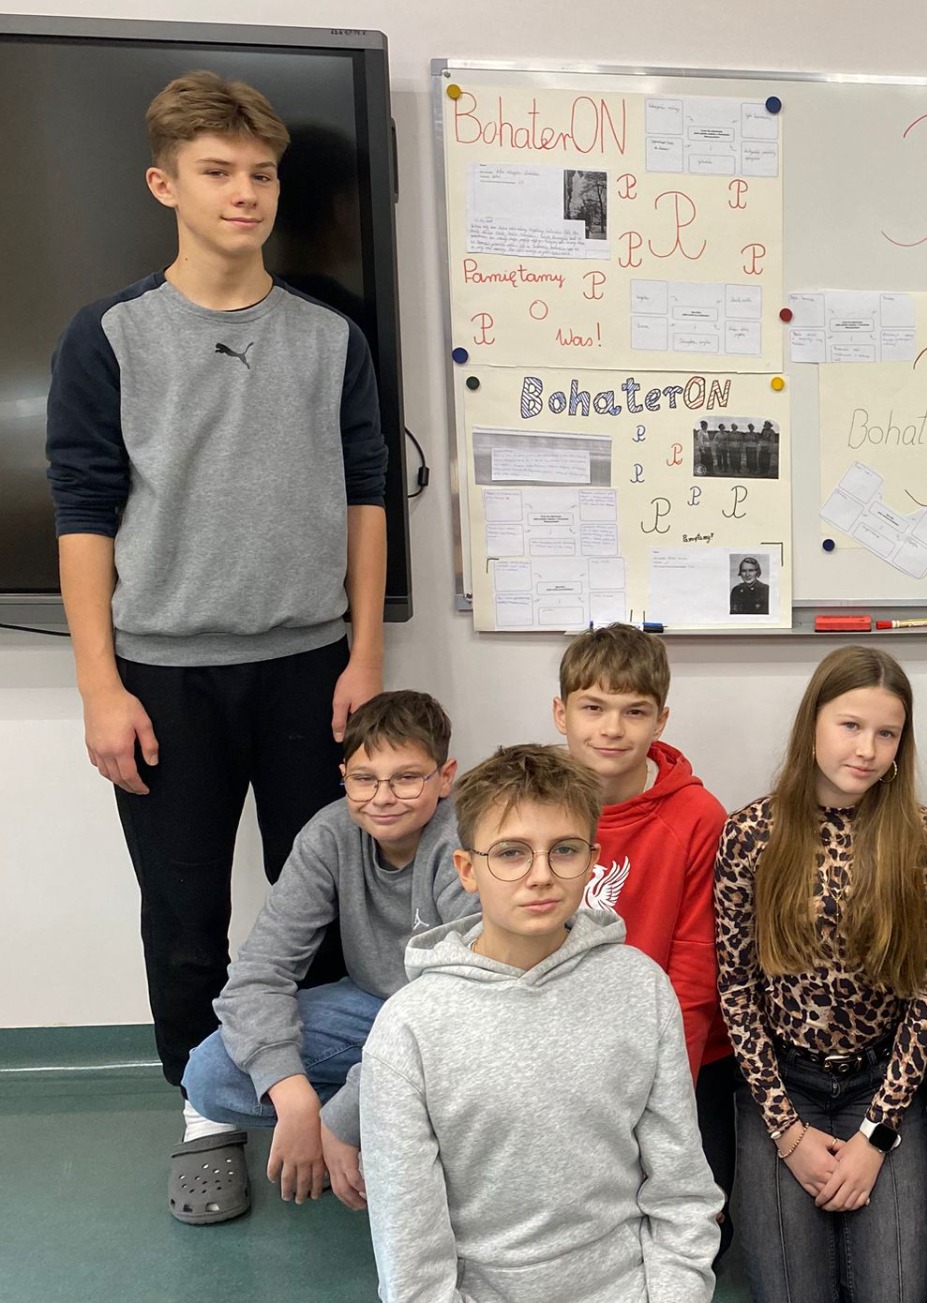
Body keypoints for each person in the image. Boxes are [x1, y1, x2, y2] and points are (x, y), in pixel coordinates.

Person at [43, 70, 387, 1205]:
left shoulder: (330, 336)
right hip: (163, 677)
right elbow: (83, 514)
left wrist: (366, 658)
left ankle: (326, 1109)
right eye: (218, 172)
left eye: (262, 174)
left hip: (311, 670)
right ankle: (205, 1110)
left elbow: (367, 496)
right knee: (188, 918)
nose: (246, 193)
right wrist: (99, 686)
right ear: (165, 185)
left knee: (326, 908)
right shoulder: (110, 336)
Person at [361, 744, 721, 1303]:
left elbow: (682, 1194)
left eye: (565, 851)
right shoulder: (409, 1029)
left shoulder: (641, 988)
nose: (541, 877)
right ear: (467, 870)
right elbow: (413, 1263)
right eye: (511, 853)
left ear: (592, 860)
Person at [175, 691, 469, 1225]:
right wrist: (295, 1100)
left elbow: (461, 1006)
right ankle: (391, 1130)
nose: (383, 797)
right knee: (210, 1075)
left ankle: (385, 1133)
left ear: (444, 778)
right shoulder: (330, 834)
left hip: (450, 1024)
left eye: (407, 778)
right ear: (344, 777)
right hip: (370, 1008)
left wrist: (342, 1117)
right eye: (364, 779)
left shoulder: (464, 841)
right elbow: (257, 975)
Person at [714, 646, 927, 1303]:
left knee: (895, 1292)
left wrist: (876, 1135)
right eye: (850, 725)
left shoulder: (921, 837)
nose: (867, 749)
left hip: (882, 1086)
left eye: (887, 733)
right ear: (812, 724)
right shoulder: (751, 833)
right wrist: (786, 1131)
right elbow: (735, 988)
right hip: (781, 1085)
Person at [552, 622, 734, 1249]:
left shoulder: (698, 817)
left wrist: (660, 1109)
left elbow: (694, 978)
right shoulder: (534, 805)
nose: (611, 729)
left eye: (634, 711)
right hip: (566, 1045)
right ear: (561, 713)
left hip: (677, 1054)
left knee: (699, 1233)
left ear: (661, 720)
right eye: (593, 708)